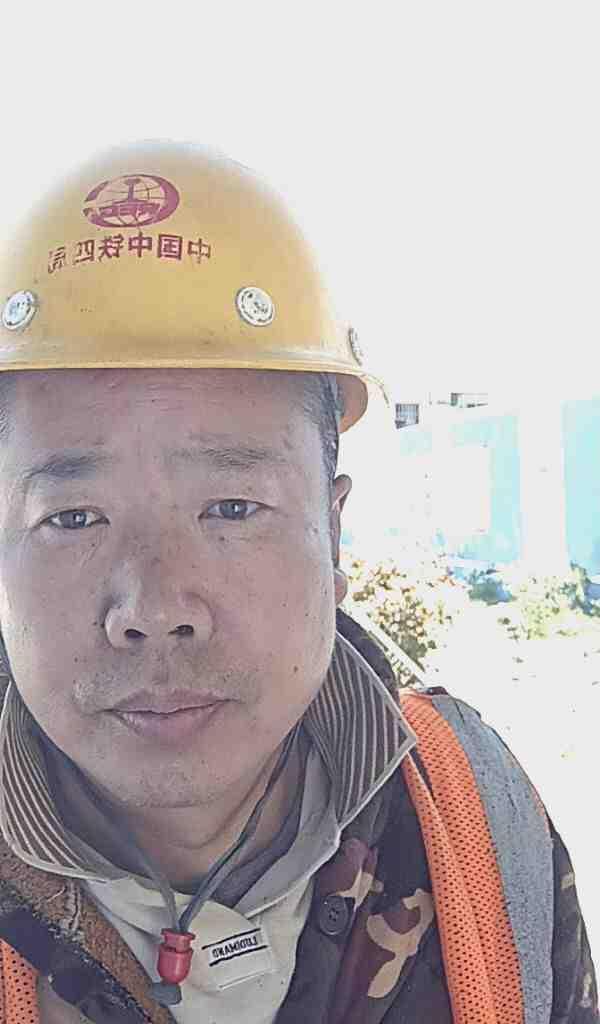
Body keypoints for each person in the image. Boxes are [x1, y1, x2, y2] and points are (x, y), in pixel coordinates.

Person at [0, 140, 595, 1024]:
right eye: (75, 518)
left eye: (233, 508)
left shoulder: (478, 813)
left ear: (334, 531)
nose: (155, 610)